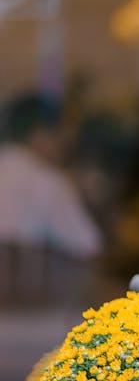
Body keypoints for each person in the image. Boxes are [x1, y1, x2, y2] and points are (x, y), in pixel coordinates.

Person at [0, 93, 101, 260]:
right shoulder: (47, 180)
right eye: (59, 134)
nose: (65, 144)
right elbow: (88, 246)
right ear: (40, 133)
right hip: (25, 281)